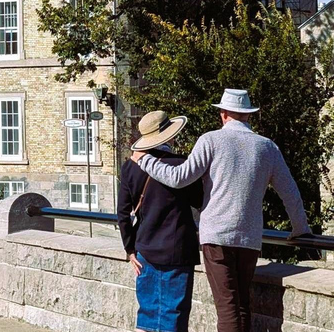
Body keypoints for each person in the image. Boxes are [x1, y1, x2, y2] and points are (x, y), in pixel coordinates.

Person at [131, 89, 311, 332]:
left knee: (227, 307)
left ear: (224, 114)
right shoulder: (267, 147)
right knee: (242, 305)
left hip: (217, 236)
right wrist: (301, 229)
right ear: (248, 115)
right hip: (249, 238)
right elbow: (290, 192)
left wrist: (145, 160)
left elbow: (178, 178)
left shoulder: (211, 140)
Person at [118, 111, 203, 332]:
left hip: (145, 247)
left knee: (147, 313)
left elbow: (124, 213)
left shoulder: (130, 167)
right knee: (174, 313)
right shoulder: (181, 165)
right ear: (170, 135)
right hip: (178, 249)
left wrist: (130, 249)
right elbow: (199, 200)